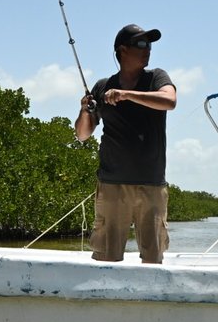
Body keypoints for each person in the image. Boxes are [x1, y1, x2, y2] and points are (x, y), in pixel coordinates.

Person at [74, 24, 177, 263]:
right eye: (141, 44)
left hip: (151, 184)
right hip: (112, 184)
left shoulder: (156, 78)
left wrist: (126, 95)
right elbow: (83, 134)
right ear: (122, 50)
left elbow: (169, 101)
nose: (147, 49)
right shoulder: (102, 87)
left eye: (149, 44)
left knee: (153, 259)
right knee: (106, 258)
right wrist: (85, 110)